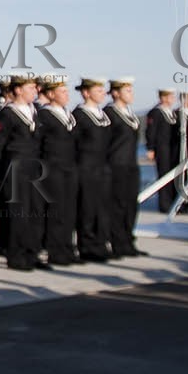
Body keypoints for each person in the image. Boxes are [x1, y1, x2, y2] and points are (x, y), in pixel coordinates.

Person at [0, 77, 43, 271]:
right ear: (18, 90)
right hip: (14, 166)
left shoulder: (32, 111)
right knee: (16, 212)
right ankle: (15, 254)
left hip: (32, 166)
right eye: (30, 87)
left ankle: (30, 251)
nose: (35, 90)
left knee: (33, 210)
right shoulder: (8, 114)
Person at [35, 80, 79, 266]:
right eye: (62, 91)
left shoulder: (67, 114)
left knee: (69, 211)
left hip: (69, 167)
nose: (66, 94)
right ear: (51, 94)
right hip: (53, 168)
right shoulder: (44, 114)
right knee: (56, 212)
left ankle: (66, 247)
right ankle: (55, 250)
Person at [74, 79, 114, 261]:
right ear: (86, 93)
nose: (102, 94)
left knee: (102, 208)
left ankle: (101, 243)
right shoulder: (80, 115)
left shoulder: (102, 115)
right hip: (86, 167)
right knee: (87, 209)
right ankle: (87, 246)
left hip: (102, 167)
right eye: (97, 90)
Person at [104, 78, 146, 256]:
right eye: (127, 90)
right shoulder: (109, 113)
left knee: (130, 204)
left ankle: (128, 240)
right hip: (116, 164)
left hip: (130, 164)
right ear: (115, 93)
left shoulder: (130, 114)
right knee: (118, 205)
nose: (131, 94)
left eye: (131, 90)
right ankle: (118, 242)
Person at [144, 89, 183, 212]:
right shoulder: (156, 112)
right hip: (162, 148)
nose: (173, 99)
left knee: (174, 176)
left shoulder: (171, 113)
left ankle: (174, 203)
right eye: (171, 96)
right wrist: (150, 147)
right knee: (164, 175)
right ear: (164, 97)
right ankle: (165, 205)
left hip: (172, 149)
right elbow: (151, 131)